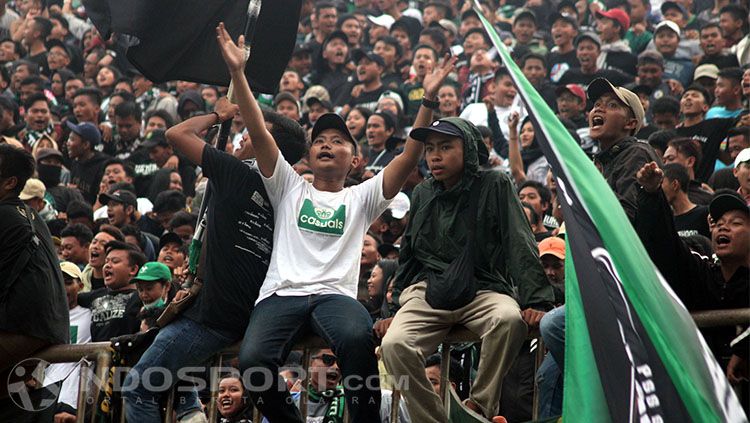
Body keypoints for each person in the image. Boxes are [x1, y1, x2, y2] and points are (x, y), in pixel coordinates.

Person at [215, 21, 454, 422]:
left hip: (335, 298)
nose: (327, 144)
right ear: (307, 156)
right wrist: (238, 74)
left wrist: (428, 98)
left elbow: (409, 157)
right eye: (320, 140)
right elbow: (257, 127)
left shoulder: (361, 197)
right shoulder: (288, 186)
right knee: (253, 361)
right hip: (281, 295)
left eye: (339, 140)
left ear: (356, 160)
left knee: (358, 339)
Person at [123, 95, 307, 422]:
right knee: (181, 388)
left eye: (253, 131)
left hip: (212, 317)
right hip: (245, 315)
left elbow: (176, 134)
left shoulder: (237, 173)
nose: (243, 135)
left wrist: (216, 115)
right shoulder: (288, 194)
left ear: (269, 146)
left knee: (139, 386)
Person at [379, 115, 553, 422]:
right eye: (430, 147)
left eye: (445, 146)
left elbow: (518, 241)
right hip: (429, 289)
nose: (434, 155)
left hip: (483, 288)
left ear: (470, 149)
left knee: (509, 320)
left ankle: (477, 409)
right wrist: (390, 308)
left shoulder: (495, 183)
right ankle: (436, 420)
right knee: (395, 344)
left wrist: (536, 301)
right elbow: (408, 254)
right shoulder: (422, 193)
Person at [635, 164, 749, 370]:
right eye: (718, 222)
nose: (723, 226)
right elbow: (666, 246)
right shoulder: (703, 274)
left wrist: (743, 350)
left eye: (736, 223)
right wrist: (652, 195)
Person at [0, 143, 68, 394]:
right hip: (47, 329)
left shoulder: (5, 216)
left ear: (10, 183)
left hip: (23, 330)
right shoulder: (31, 215)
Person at [588, 78, 660, 221]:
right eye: (597, 104)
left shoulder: (637, 153)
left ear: (630, 123)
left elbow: (627, 217)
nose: (598, 108)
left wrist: (592, 183)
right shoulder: (600, 160)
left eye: (612, 105)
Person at [46, 261, 92, 423]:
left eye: (68, 282)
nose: (63, 288)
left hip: (75, 395)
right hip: (47, 393)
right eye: (58, 281)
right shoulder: (46, 318)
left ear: (80, 285)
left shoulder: (90, 315)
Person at [77, 240, 145, 342]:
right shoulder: (96, 295)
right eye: (106, 261)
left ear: (133, 270)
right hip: (95, 354)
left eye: (115, 261)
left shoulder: (142, 297)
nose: (107, 265)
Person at [660, 163, 711, 238]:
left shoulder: (705, 214)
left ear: (675, 185)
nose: (658, 189)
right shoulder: (666, 221)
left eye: (661, 183)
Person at [66, 120, 108, 204]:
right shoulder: (75, 162)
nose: (68, 143)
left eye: (72, 139)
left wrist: (77, 192)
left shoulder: (102, 166)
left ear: (85, 145)